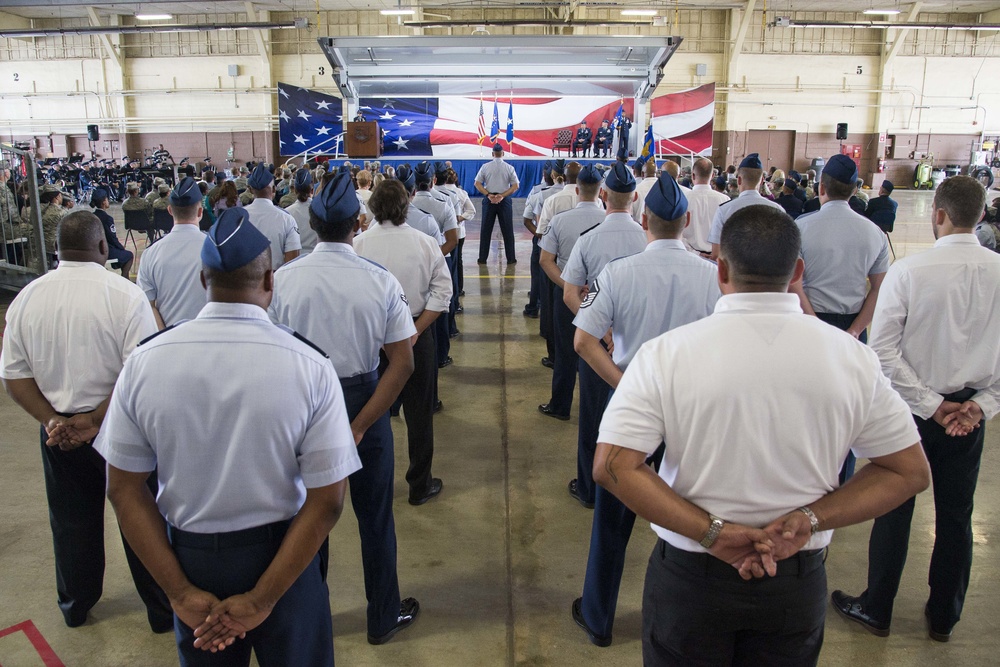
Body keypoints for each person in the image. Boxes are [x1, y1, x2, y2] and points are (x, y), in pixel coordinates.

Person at [594, 204, 930, 665]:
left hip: (693, 579)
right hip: (792, 580)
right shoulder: (850, 357)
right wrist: (806, 522)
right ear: (797, 272)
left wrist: (714, 534)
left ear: (722, 269)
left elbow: (613, 466)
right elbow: (908, 471)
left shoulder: (666, 355)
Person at [95, 207, 361, 665]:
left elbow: (123, 488)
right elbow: (327, 501)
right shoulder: (310, 366)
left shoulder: (145, 363)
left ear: (203, 281)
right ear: (270, 281)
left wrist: (178, 592)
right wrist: (261, 599)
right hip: (286, 561)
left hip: (191, 562)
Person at [832, 175, 1000, 644]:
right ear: (981, 216)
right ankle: (945, 615)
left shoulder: (910, 272)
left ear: (938, 215)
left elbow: (882, 352)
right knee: (955, 514)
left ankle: (877, 606)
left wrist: (932, 405)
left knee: (894, 505)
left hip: (910, 411)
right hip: (968, 416)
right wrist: (977, 406)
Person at [1, 211, 173, 632]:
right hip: (120, 429)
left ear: (57, 249)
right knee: (140, 516)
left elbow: (15, 377)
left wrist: (53, 421)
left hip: (58, 434)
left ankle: (76, 605)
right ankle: (159, 609)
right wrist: (95, 418)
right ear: (102, 247)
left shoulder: (27, 297)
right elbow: (140, 370)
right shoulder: (123, 295)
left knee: (71, 522)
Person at [270, 172, 421, 646]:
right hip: (364, 403)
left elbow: (271, 358)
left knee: (308, 520)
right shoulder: (379, 281)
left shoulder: (282, 282)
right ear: (358, 221)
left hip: (302, 408)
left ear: (312, 222)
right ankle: (382, 618)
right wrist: (358, 425)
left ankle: (310, 622)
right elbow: (402, 363)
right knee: (375, 517)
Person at [571, 171, 721, 647]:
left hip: (635, 411)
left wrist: (626, 383)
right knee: (692, 518)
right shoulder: (713, 276)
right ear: (689, 220)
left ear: (645, 218)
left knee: (613, 520)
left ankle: (598, 618)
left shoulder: (620, 273)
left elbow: (583, 340)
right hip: (692, 411)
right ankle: (689, 621)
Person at [355, 179, 452, 506]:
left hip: (372, 338)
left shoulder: (359, 244)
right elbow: (442, 293)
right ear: (405, 206)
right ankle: (419, 484)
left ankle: (373, 485)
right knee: (419, 412)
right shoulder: (425, 243)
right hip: (414, 333)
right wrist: (415, 330)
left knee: (372, 411)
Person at [794, 154, 890, 483]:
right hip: (852, 328)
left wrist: (814, 323)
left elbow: (794, 283)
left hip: (809, 324)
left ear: (821, 187)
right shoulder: (873, 233)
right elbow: (879, 289)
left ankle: (805, 480)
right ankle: (841, 482)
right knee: (846, 409)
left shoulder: (801, 228)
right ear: (854, 190)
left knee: (806, 408)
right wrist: (855, 329)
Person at [553, 162, 646, 420]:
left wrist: (602, 330)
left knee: (593, 418)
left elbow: (570, 294)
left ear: (603, 195)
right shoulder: (646, 238)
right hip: (638, 335)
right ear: (635, 197)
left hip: (597, 339)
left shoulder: (588, 240)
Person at [537, 164, 604, 422]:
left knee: (565, 351)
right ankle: (596, 409)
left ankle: (561, 404)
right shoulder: (609, 221)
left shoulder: (560, 220)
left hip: (566, 294)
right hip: (601, 298)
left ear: (577, 190)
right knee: (598, 351)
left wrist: (569, 287)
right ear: (601, 191)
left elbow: (545, 260)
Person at [136, 177, 209, 329]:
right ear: (200, 211)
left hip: (168, 339)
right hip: (209, 337)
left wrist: (165, 336)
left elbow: (148, 305)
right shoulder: (215, 248)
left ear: (170, 210)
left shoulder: (151, 253)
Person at [707, 153, 784, 260]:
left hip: (734, 273)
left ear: (739, 180)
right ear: (762, 180)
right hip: (768, 273)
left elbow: (716, 254)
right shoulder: (778, 210)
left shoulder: (724, 210)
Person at [243, 163, 301, 271]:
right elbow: (292, 262)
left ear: (250, 190)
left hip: (246, 282)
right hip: (275, 280)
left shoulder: (239, 217)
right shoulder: (286, 219)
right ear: (274, 189)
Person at [475, 143, 519, 265]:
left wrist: (488, 194)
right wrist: (502, 196)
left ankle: (482, 258)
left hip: (489, 200)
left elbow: (477, 183)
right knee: (507, 231)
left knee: (485, 230)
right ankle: (511, 258)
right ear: (503, 153)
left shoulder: (485, 167)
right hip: (504, 200)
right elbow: (515, 186)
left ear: (493, 154)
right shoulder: (509, 168)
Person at [683, 157, 730, 257]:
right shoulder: (725, 200)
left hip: (690, 255)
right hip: (717, 257)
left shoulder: (683, 199)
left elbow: (678, 233)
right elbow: (728, 233)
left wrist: (696, 253)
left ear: (693, 175)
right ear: (713, 175)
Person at [90, 188, 134, 278]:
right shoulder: (107, 219)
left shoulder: (91, 216)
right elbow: (112, 238)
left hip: (93, 250)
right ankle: (125, 279)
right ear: (103, 202)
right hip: (105, 250)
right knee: (128, 255)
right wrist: (121, 248)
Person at [285, 169, 318, 254]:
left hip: (294, 259)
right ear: (312, 190)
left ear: (295, 190)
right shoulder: (321, 211)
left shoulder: (286, 213)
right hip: (316, 257)